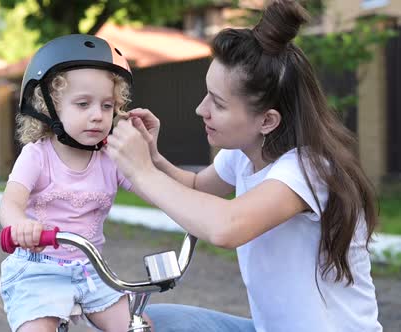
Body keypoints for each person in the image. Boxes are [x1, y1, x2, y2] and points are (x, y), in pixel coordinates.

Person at [105, 0, 382, 331]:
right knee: (142, 323)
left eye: (218, 103)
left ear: (267, 120)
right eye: (207, 94)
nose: (200, 109)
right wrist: (154, 158)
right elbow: (194, 189)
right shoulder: (244, 154)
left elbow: (226, 227)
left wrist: (142, 172)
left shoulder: (308, 169)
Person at [0, 34, 142, 332]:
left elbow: (154, 189)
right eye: (83, 104)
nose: (97, 116)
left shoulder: (110, 158)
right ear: (50, 108)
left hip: (92, 272)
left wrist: (148, 157)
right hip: (38, 270)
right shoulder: (37, 156)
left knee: (137, 326)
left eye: (106, 105)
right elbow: (10, 203)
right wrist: (20, 225)